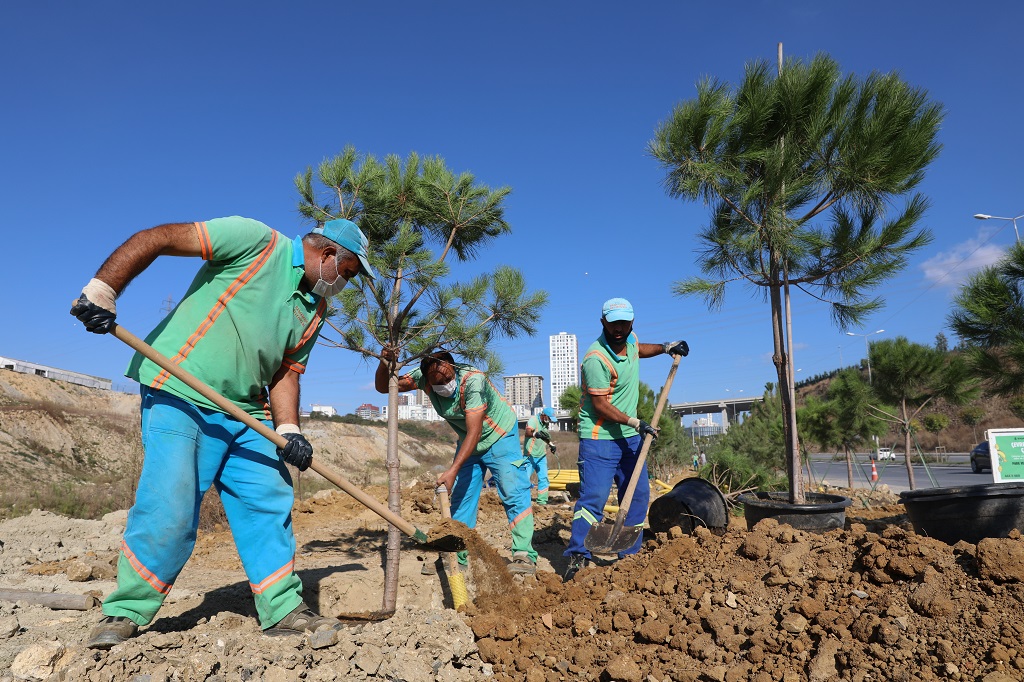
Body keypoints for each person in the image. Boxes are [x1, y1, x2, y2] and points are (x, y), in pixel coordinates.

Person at [70, 217, 375, 648]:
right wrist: (104, 289)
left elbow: (287, 371)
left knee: (269, 501)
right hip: (181, 391)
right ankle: (126, 610)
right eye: (348, 273)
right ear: (328, 255)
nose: (347, 283)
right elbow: (156, 239)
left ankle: (283, 608)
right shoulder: (256, 242)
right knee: (171, 506)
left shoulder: (314, 309)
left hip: (247, 412)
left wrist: (289, 429)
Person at [376, 351, 538, 575]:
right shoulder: (423, 377)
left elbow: (475, 430)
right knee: (462, 497)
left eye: (447, 379)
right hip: (469, 440)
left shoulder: (473, 381)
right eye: (438, 382)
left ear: (453, 367)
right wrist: (385, 363)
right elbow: (385, 387)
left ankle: (524, 557)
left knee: (513, 491)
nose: (444, 385)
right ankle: (457, 558)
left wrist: (453, 470)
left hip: (499, 434)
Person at [563, 298, 687, 582]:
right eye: (613, 323)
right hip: (600, 438)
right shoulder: (596, 359)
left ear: (632, 322)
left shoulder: (629, 339)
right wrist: (635, 422)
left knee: (638, 495)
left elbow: (638, 350)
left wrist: (666, 348)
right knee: (593, 499)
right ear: (602, 322)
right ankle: (578, 556)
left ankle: (628, 557)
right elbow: (600, 406)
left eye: (624, 323)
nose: (619, 329)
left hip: (630, 437)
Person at [523, 407, 557, 505]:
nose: (549, 421)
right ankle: (522, 500)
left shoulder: (545, 424)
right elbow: (527, 432)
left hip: (541, 455)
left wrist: (551, 445)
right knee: (524, 479)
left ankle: (542, 501)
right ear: (544, 415)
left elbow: (544, 437)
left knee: (544, 479)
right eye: (549, 418)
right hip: (530, 455)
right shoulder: (533, 420)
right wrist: (535, 434)